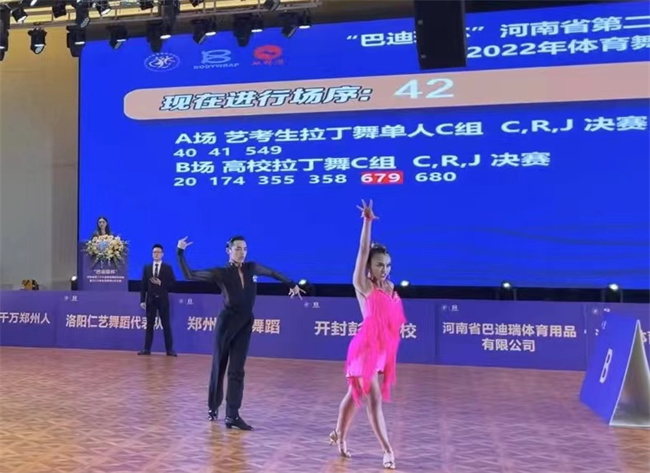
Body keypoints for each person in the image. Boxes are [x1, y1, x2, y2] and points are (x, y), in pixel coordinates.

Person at [177, 235, 305, 430]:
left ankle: (232, 415)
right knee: (219, 366)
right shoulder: (221, 272)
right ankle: (213, 407)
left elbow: (273, 273)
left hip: (245, 323)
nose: (242, 252)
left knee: (237, 370)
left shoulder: (251, 268)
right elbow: (190, 275)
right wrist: (180, 252)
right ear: (228, 250)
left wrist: (291, 284)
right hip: (227, 323)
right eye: (238, 248)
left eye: (244, 249)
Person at [329, 200, 405, 470]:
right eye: (379, 265)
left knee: (354, 394)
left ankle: (339, 436)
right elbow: (363, 249)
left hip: (382, 350)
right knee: (373, 399)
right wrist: (367, 221)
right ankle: (388, 450)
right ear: (369, 267)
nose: (384, 269)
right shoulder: (363, 284)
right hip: (365, 349)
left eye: (387, 265)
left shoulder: (390, 286)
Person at [138, 244, 177, 357]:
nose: (156, 254)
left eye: (158, 252)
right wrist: (142, 300)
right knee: (149, 325)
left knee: (166, 325)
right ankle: (146, 349)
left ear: (162, 254)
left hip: (163, 300)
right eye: (154, 252)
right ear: (152, 254)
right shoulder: (147, 268)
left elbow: (173, 284)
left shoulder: (167, 268)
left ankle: (169, 350)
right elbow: (143, 285)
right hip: (150, 300)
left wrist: (161, 283)